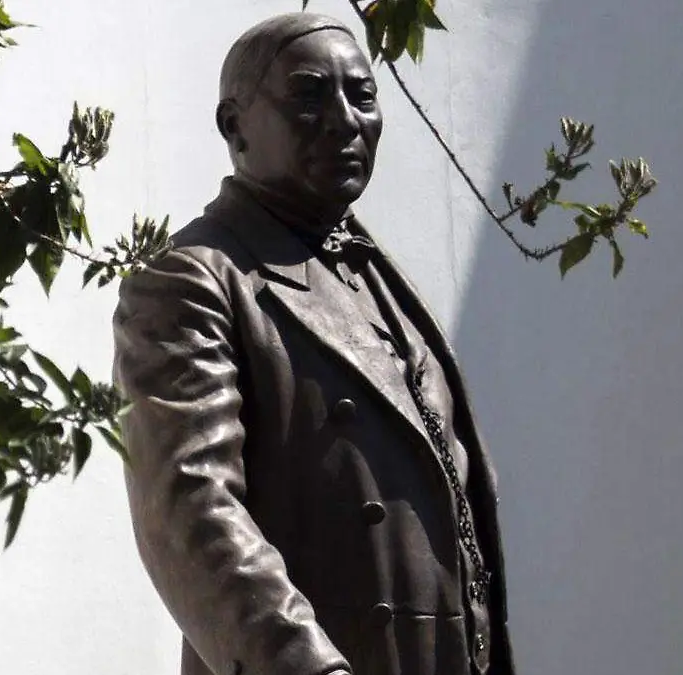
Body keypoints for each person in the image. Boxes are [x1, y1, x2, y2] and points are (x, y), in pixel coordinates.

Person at [112, 12, 514, 675]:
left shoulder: (379, 275)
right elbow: (192, 512)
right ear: (235, 126)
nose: (344, 120)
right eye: (308, 95)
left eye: (362, 95)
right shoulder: (192, 281)